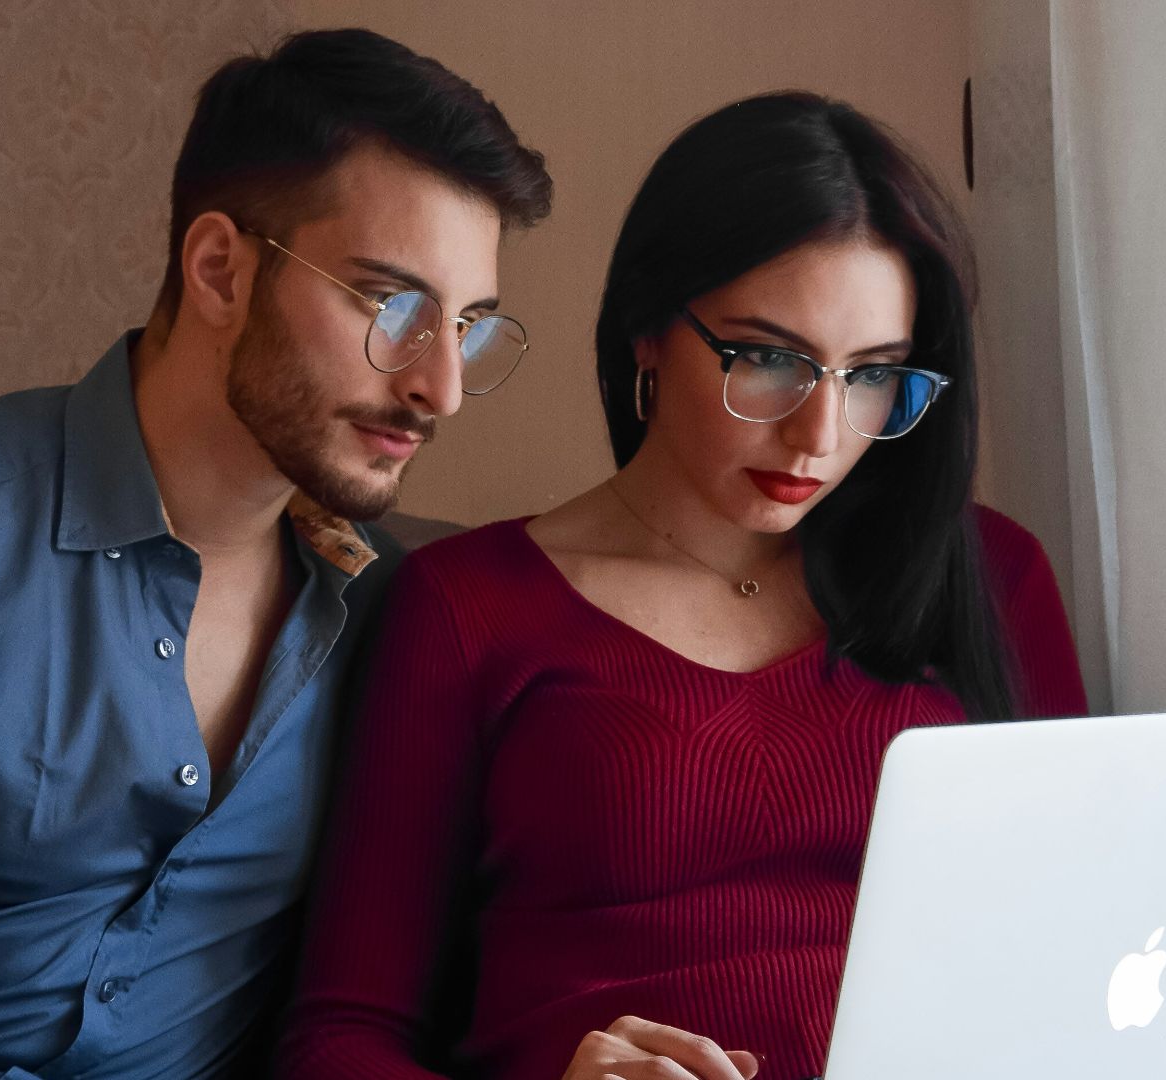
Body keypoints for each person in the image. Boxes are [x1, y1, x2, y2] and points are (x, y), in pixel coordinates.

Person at [0, 28, 551, 1079]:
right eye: (392, 305)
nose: (439, 385)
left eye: (471, 326)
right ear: (220, 268)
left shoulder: (396, 613)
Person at [274, 91, 1087, 1080]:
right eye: (767, 360)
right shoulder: (468, 610)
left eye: (873, 375)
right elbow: (339, 1037)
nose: (820, 437)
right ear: (647, 330)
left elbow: (1087, 952)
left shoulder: (990, 579)